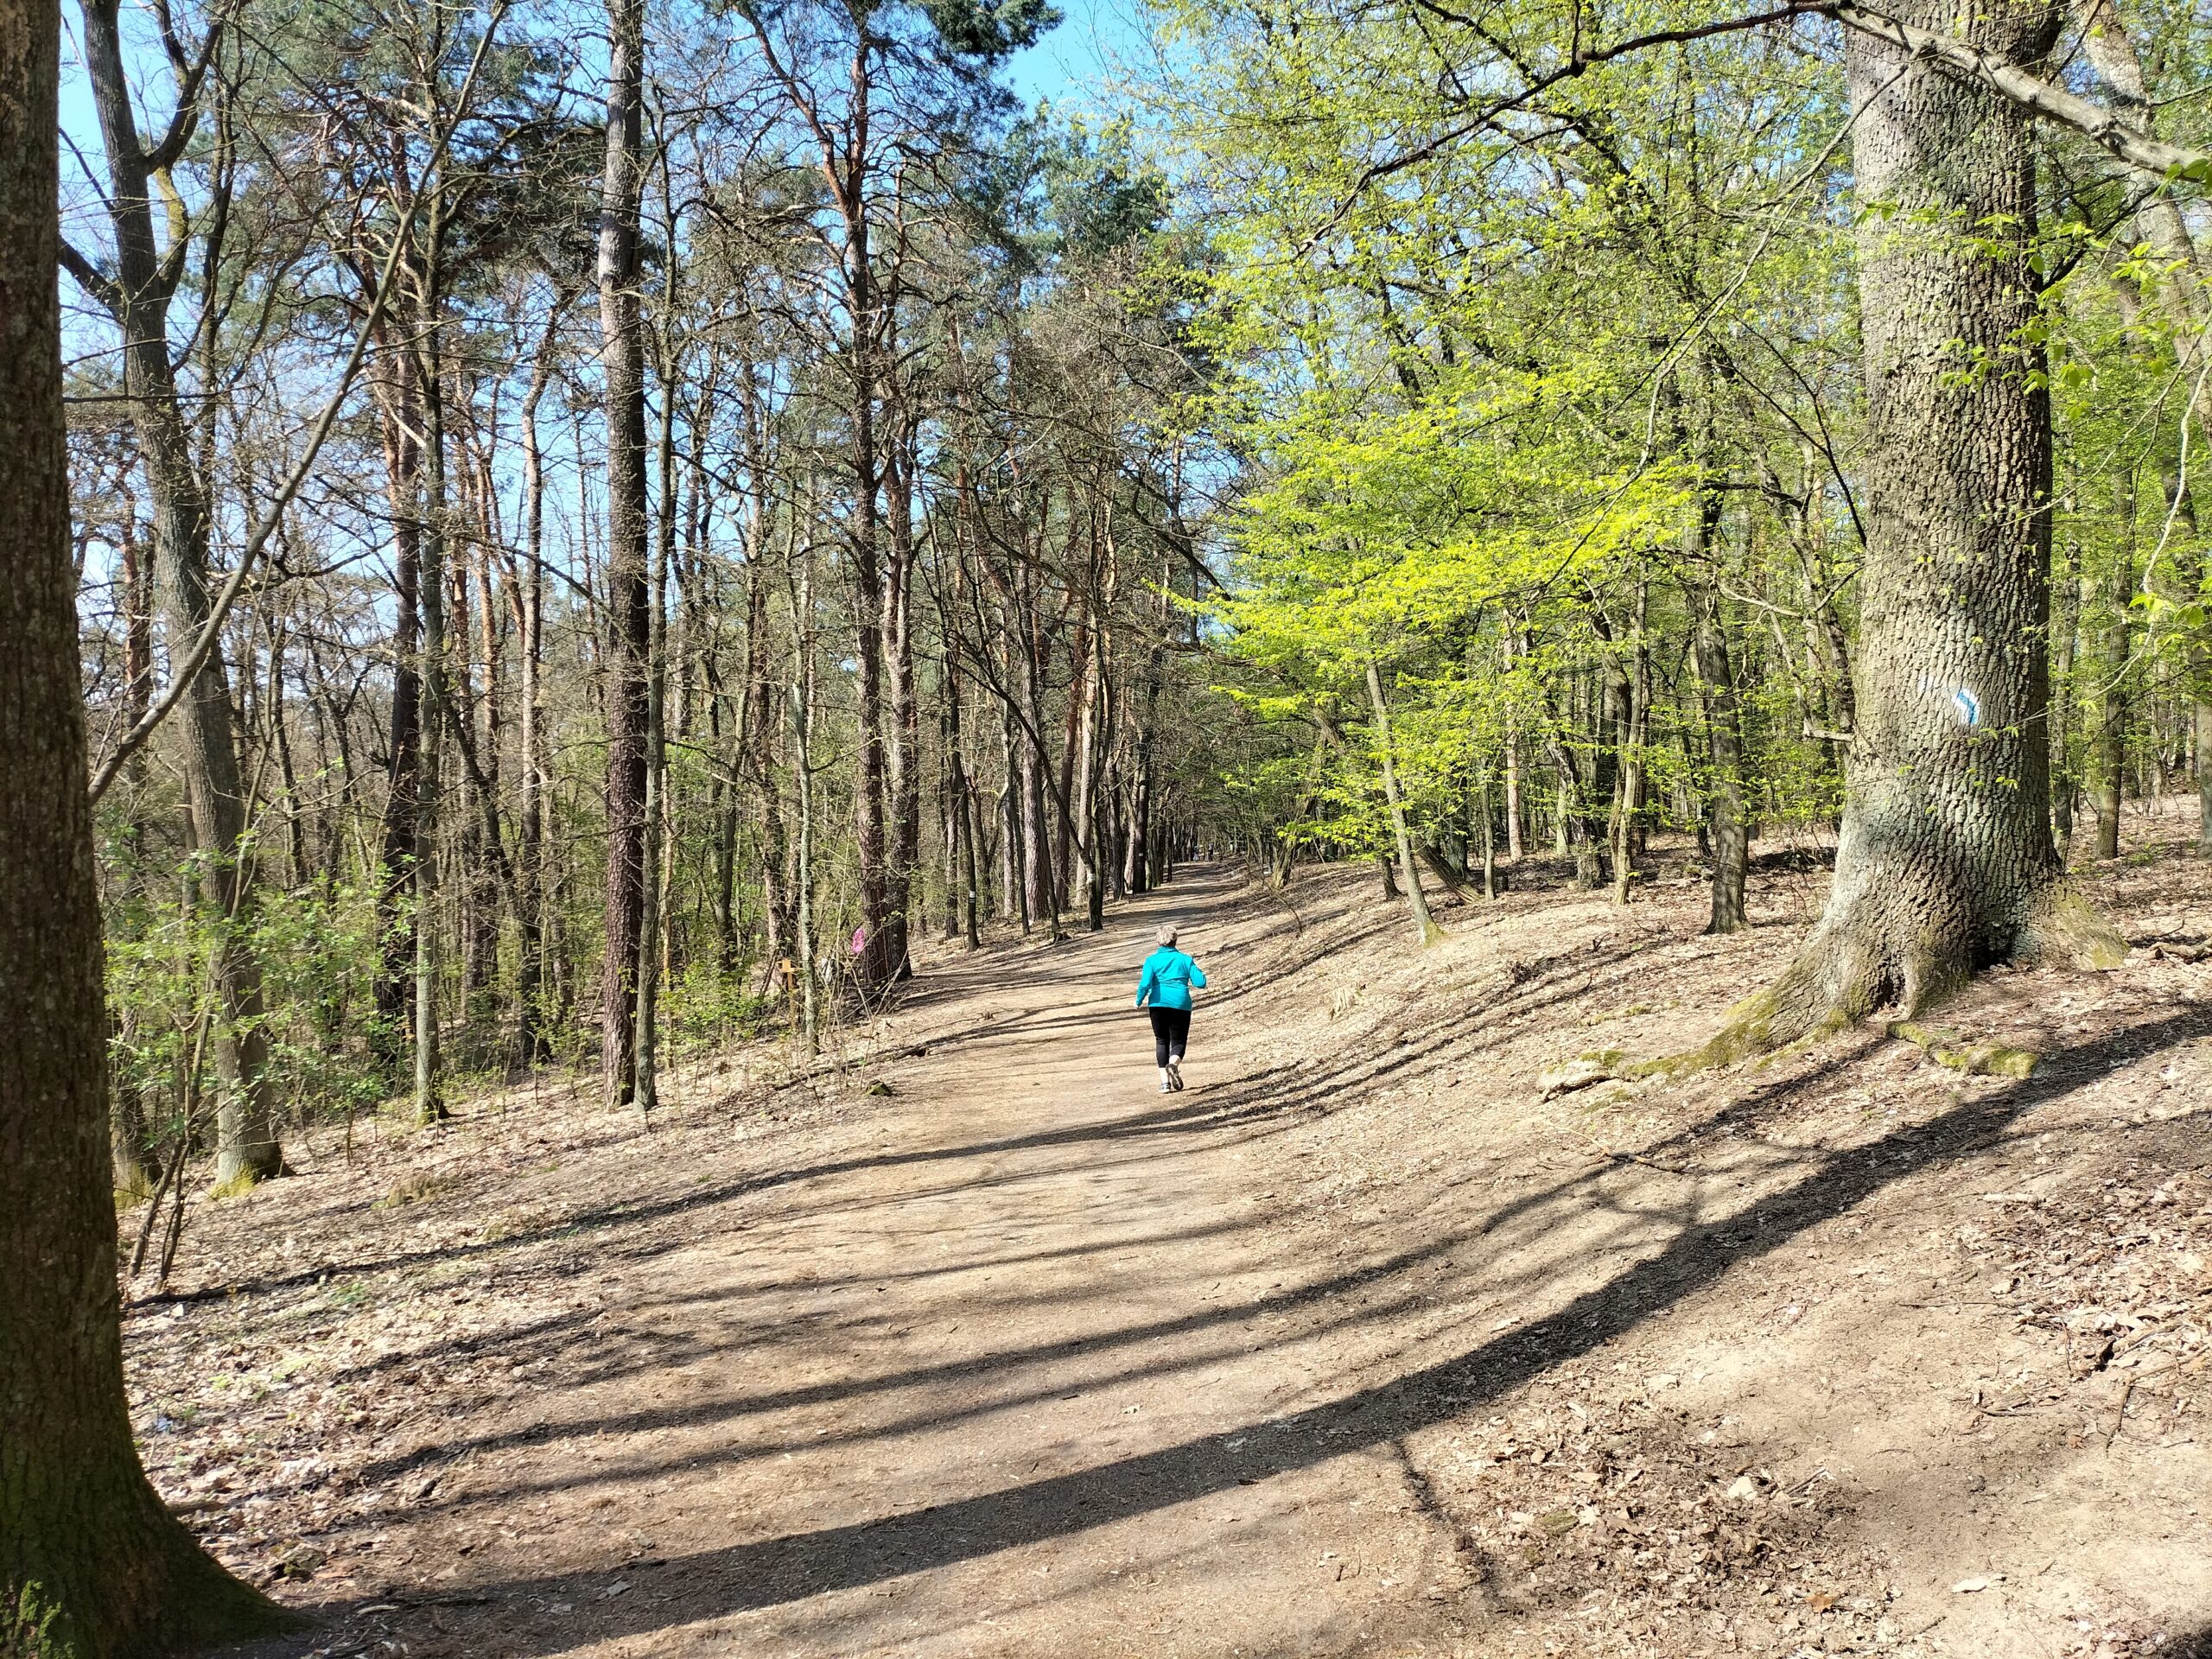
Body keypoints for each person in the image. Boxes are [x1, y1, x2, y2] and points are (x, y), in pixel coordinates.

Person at [1134, 923, 1207, 1093]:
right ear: (1175, 940)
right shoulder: (1185, 959)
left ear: (1158, 942)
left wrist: (1138, 1000)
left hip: (1157, 1004)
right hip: (1180, 1004)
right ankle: (1172, 1065)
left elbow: (1145, 984)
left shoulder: (1151, 961)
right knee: (1179, 1042)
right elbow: (1201, 982)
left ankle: (1165, 1084)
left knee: (1161, 1041)